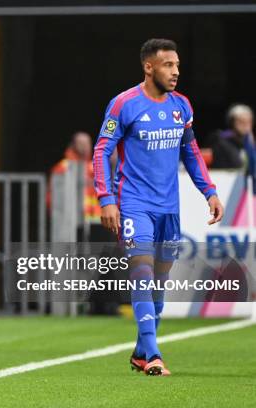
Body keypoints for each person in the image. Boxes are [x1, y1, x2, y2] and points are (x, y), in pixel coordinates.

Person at [93, 38, 223, 376]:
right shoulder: (124, 104)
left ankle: (140, 351)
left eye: (177, 65)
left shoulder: (182, 106)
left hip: (169, 207)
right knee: (141, 272)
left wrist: (209, 191)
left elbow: (191, 153)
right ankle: (153, 355)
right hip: (135, 204)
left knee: (159, 284)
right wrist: (106, 199)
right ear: (149, 66)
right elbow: (101, 151)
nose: (176, 71)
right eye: (169, 65)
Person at [210, 104, 256, 174]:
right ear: (232, 122)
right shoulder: (221, 141)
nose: (246, 125)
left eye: (249, 122)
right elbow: (237, 164)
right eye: (241, 121)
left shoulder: (250, 142)